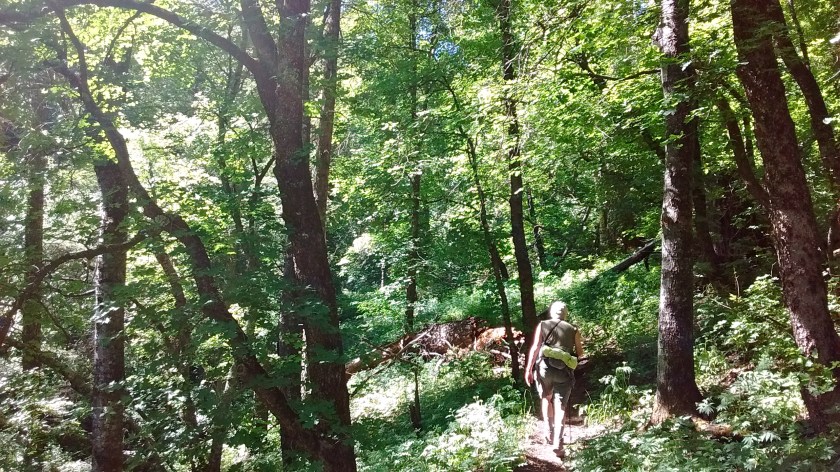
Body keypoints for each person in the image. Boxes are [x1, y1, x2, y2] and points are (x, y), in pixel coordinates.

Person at [525, 301, 584, 457]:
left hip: (544, 368)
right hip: (564, 370)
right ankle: (558, 442)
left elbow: (535, 347)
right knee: (561, 406)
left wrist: (529, 369)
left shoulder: (543, 325)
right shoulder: (573, 329)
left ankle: (547, 430)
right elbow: (580, 352)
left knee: (546, 397)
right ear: (565, 313)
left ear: (551, 312)